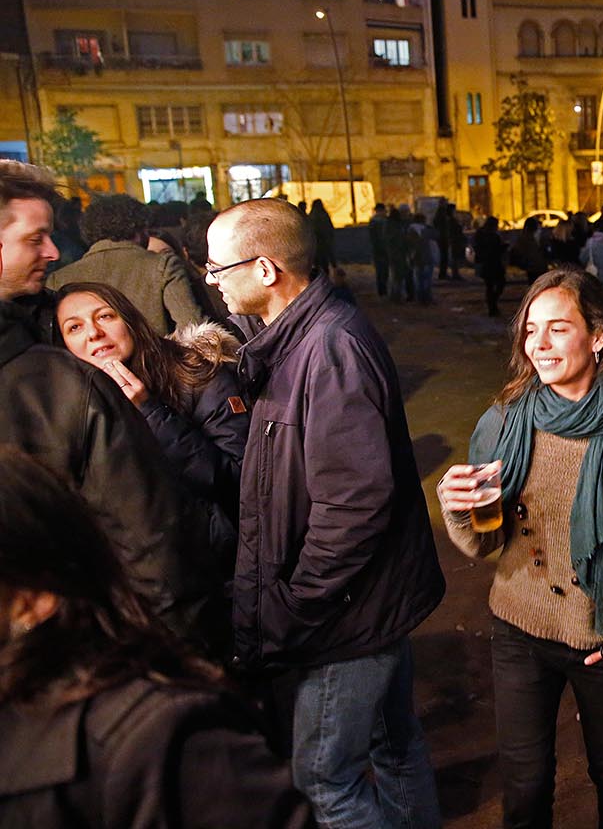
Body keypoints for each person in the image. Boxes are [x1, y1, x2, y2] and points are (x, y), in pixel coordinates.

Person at [204, 198, 444, 827]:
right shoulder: (296, 339)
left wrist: (299, 600)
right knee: (394, 748)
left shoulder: (328, 346)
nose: (211, 280)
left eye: (216, 268)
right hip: (361, 605)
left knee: (323, 780)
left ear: (264, 269)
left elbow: (355, 502)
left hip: (344, 614)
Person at [436, 268, 603, 829]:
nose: (539, 345)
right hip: (519, 624)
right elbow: (484, 542)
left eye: (558, 329)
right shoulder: (507, 417)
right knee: (526, 782)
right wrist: (456, 504)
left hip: (601, 631)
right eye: (531, 330)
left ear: (598, 335)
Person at [0, 446, 314, 828]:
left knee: (336, 769)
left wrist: (297, 601)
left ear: (30, 598)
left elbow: (229, 476)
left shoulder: (160, 746)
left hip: (312, 622)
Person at [0, 165, 211, 644]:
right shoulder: (64, 380)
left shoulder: (51, 330)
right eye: (36, 240)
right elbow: (150, 543)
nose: (52, 253)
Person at [54, 282, 246, 586]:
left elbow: (239, 479)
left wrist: (150, 412)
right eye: (74, 327)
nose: (93, 333)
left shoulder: (197, 374)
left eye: (105, 316)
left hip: (214, 572)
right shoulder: (69, 409)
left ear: (129, 320)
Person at [47, 194, 205, 335]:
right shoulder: (163, 265)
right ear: (139, 229)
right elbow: (193, 328)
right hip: (155, 365)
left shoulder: (57, 279)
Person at [473, 215, 510, 318]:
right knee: (498, 284)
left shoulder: (481, 234)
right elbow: (495, 249)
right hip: (492, 264)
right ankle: (492, 306)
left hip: (487, 264)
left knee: (491, 286)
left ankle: (492, 306)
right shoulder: (490, 235)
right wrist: (504, 247)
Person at [307, 199, 336, 273]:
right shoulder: (324, 215)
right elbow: (329, 227)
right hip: (324, 242)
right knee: (325, 261)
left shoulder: (311, 216)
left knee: (317, 263)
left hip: (315, 243)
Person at [369, 203, 390, 297]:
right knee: (383, 271)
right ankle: (383, 290)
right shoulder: (383, 221)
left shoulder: (374, 221)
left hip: (378, 250)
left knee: (381, 271)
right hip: (382, 250)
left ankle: (382, 290)